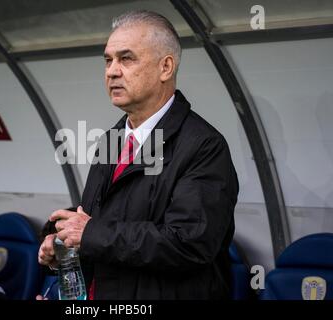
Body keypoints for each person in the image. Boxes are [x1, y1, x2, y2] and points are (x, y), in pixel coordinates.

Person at [38, 10, 239, 299]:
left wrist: (90, 233)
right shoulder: (111, 140)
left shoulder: (204, 146)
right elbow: (106, 227)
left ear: (166, 67)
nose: (112, 71)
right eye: (108, 60)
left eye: (126, 58)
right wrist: (64, 244)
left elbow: (189, 244)